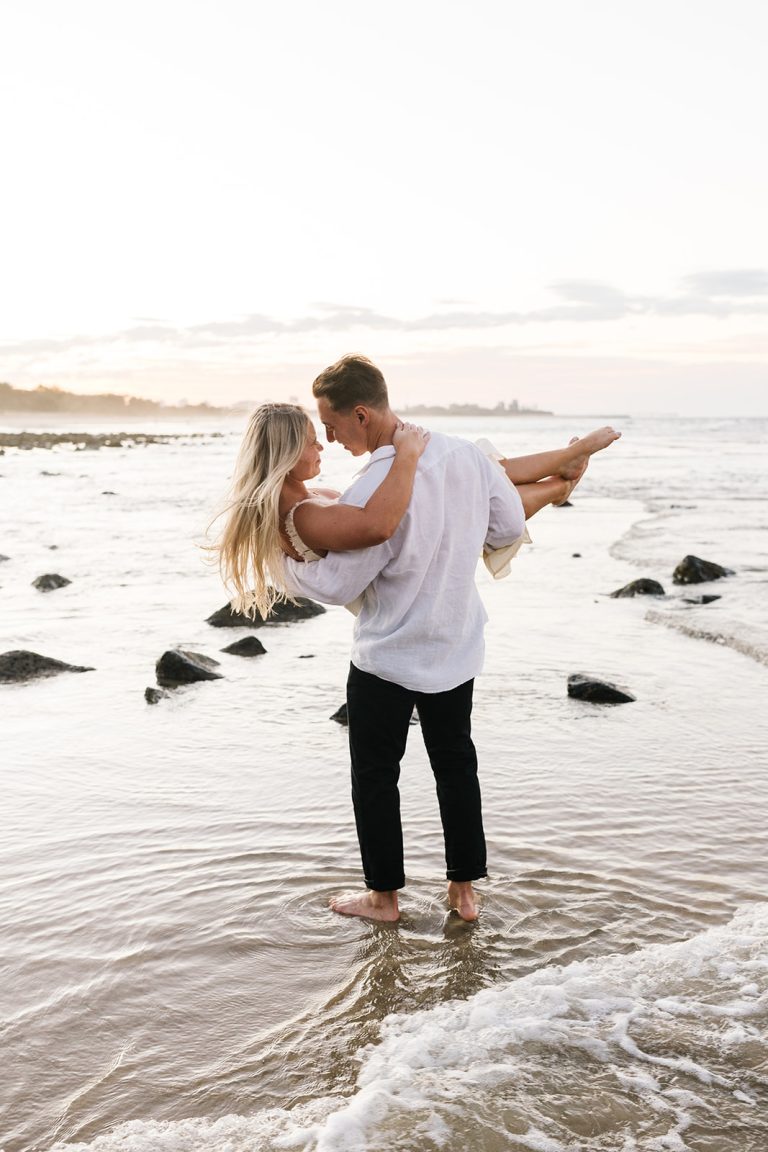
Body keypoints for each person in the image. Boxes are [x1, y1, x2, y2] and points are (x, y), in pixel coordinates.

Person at [273, 355, 618, 923]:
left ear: (361, 414)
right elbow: (507, 528)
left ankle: (384, 898)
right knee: (456, 767)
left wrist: (283, 568)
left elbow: (343, 582)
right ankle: (464, 895)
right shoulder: (461, 454)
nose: (330, 439)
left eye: (332, 426)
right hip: (456, 645)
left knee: (376, 776)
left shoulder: (375, 486)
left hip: (388, 652)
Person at [213, 400, 620, 620]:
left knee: (472, 474)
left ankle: (562, 471)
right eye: (311, 442)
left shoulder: (304, 499)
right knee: (468, 480)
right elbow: (376, 526)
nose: (323, 446)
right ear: (284, 453)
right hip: (394, 595)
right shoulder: (303, 515)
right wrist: (407, 455)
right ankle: (559, 482)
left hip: (396, 572)